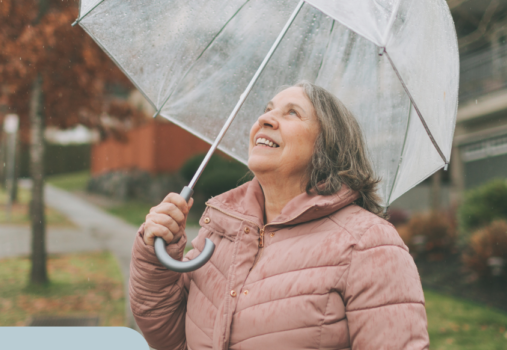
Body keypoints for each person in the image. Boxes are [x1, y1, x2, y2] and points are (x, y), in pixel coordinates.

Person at [129, 81, 429, 350]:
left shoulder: (369, 244)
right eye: (267, 110)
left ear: (327, 144)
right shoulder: (220, 229)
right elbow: (172, 340)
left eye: (292, 113)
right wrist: (156, 253)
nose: (264, 119)